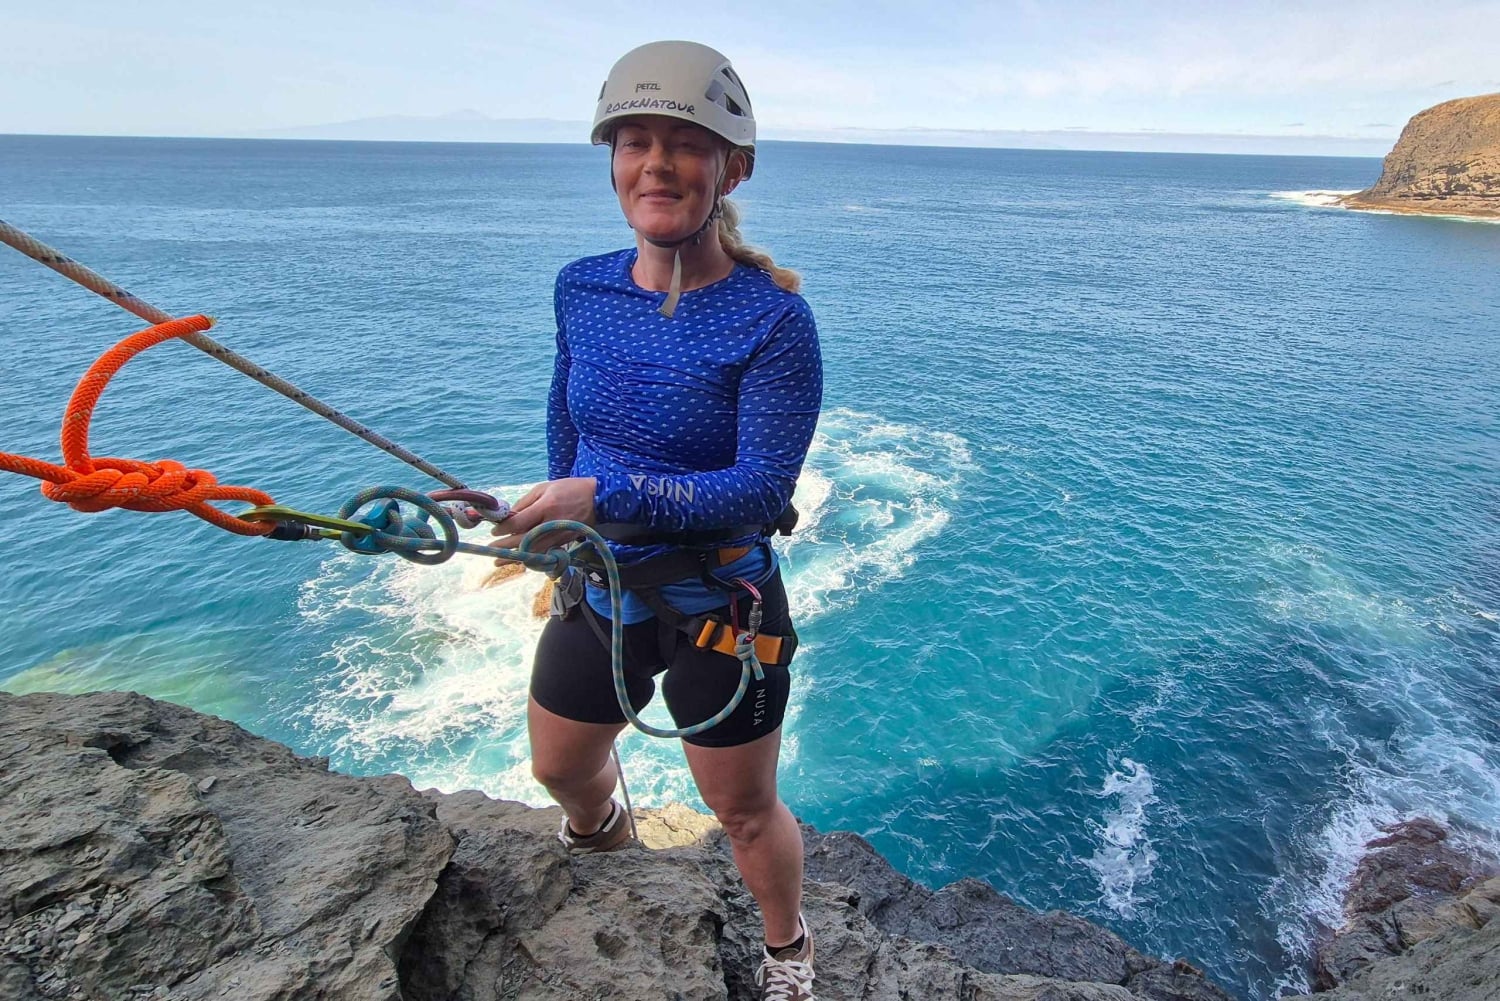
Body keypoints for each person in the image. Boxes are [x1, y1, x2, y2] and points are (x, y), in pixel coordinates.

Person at [490, 40, 823, 1001]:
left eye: (685, 145)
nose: (657, 165)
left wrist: (602, 497)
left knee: (742, 808)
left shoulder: (773, 321)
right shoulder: (581, 287)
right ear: (612, 163)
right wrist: (551, 514)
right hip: (599, 582)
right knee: (560, 767)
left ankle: (789, 950)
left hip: (721, 600)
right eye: (634, 143)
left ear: (732, 169)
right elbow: (567, 415)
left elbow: (760, 488)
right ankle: (604, 836)